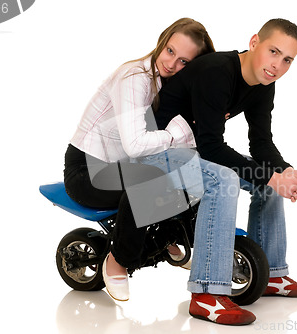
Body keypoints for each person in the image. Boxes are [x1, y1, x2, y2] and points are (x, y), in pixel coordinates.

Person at [63, 18, 242, 303]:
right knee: (150, 181)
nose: (171, 64)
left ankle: (168, 235)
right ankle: (118, 260)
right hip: (89, 168)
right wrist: (179, 133)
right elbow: (135, 145)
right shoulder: (134, 77)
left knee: (190, 170)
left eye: (184, 61)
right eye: (169, 51)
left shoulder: (174, 86)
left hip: (127, 166)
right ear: (162, 41)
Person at [154, 18, 297, 325]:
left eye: (287, 60)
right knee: (226, 178)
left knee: (266, 180)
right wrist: (272, 176)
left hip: (192, 151)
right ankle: (206, 294)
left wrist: (287, 173)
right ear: (254, 42)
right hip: (155, 152)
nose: (277, 65)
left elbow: (261, 142)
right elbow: (213, 147)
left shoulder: (263, 83)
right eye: (273, 52)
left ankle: (271, 276)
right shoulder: (218, 71)